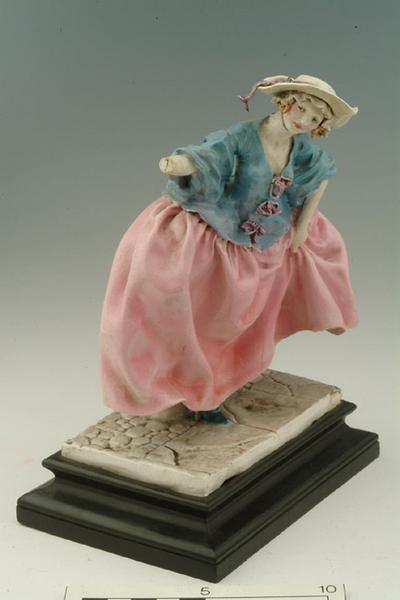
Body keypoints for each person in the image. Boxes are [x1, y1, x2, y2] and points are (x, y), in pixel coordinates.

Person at [99, 74, 358, 423]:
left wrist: (303, 226)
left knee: (246, 321)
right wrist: (180, 164)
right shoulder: (244, 135)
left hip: (265, 243)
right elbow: (209, 155)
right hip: (219, 235)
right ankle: (190, 388)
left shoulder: (302, 148)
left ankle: (219, 383)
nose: (304, 120)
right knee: (200, 313)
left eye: (314, 118)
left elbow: (321, 175)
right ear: (286, 101)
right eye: (302, 108)